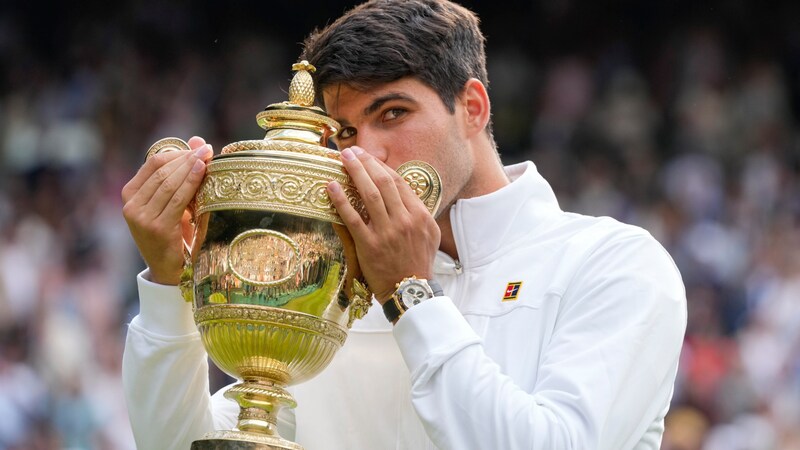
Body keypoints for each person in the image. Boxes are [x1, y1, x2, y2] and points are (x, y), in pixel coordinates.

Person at [121, 1, 687, 449]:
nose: (364, 156)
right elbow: (188, 444)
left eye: (393, 114)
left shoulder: (615, 263)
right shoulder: (335, 284)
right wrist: (169, 281)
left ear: (473, 108)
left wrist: (410, 296)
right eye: (343, 133)